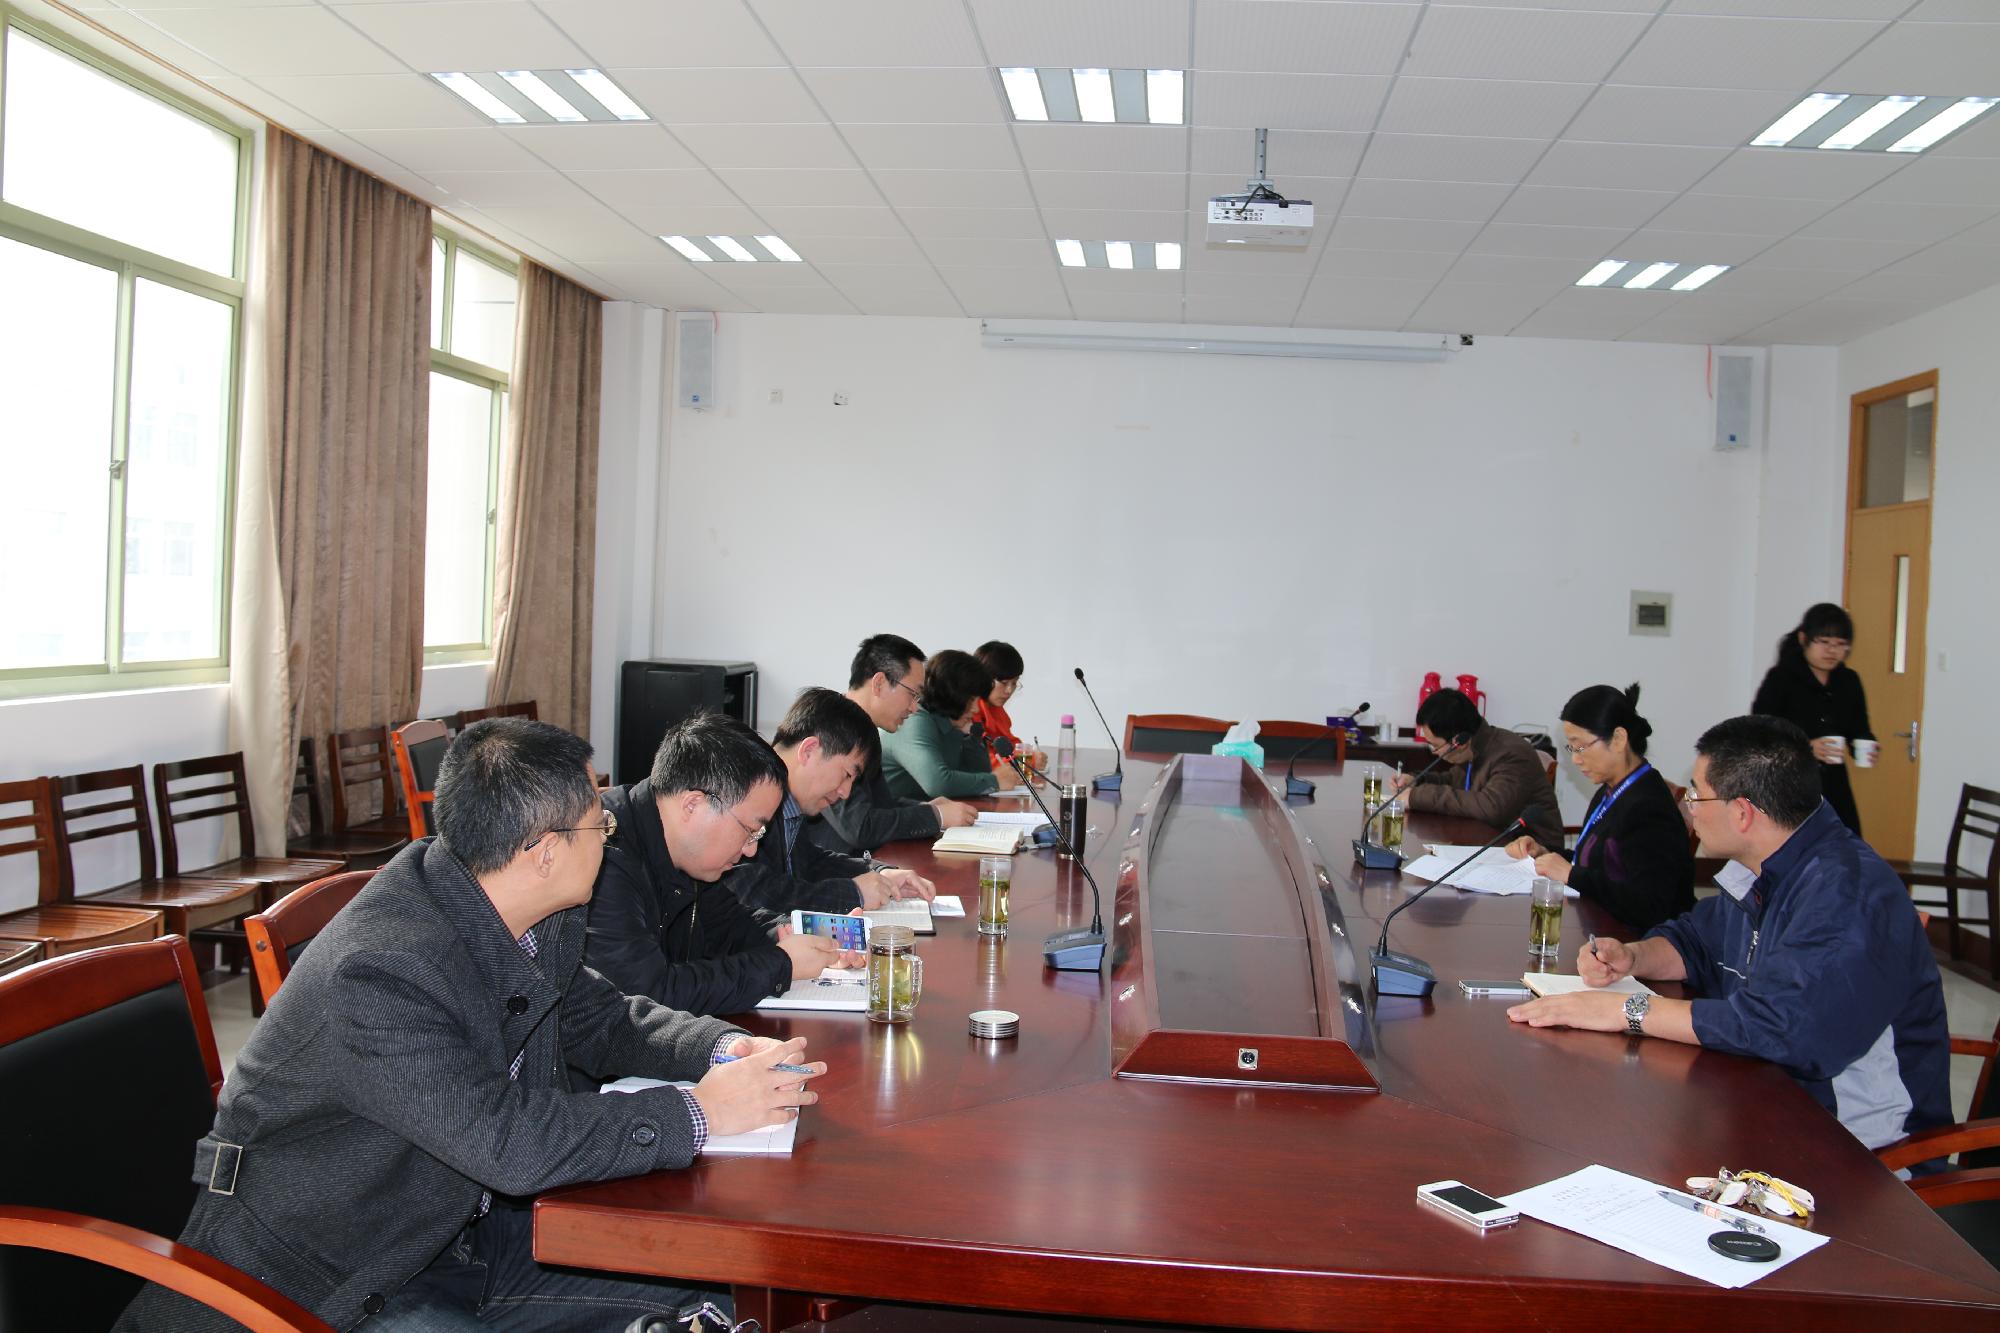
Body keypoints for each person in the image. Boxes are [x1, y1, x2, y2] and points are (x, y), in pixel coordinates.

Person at [117, 718, 825, 1333]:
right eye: (600, 825)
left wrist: (721, 1047)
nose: (611, 838)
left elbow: (602, 1018)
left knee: (725, 1288)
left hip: (457, 1235)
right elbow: (508, 1142)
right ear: (544, 850)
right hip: (332, 1281)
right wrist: (699, 1110)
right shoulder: (380, 973)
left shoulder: (529, 909)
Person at [1507, 715, 1948, 1157]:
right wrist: (1633, 957)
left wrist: (1628, 1009)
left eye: (1697, 795)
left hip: (1855, 1151)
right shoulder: (1764, 863)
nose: (1690, 808)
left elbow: (1782, 1028)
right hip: (1760, 1102)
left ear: (1742, 812)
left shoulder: (1846, 893)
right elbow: (1696, 942)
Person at [586, 712, 857, 1016]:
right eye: (750, 830)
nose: (752, 850)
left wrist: (795, 937)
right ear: (693, 804)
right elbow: (647, 995)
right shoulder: (603, 856)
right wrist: (782, 964)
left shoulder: (689, 853)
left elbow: (729, 925)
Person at [723, 687, 936, 915]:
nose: (845, 792)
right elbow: (752, 892)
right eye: (846, 775)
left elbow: (813, 862)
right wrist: (853, 893)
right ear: (809, 751)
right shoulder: (743, 792)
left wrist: (880, 873)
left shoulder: (790, 801)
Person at [1503, 684, 1694, 933]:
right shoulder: (1612, 790)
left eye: (1580, 746)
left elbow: (1649, 904)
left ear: (1618, 739)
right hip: (1602, 926)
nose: (1575, 758)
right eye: (1572, 748)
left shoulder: (1649, 807)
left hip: (1639, 941)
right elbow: (1599, 864)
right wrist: (1544, 852)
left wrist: (1571, 875)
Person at [808, 633, 978, 855]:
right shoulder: (830, 729)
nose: (914, 708)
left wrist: (925, 808)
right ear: (879, 683)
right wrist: (936, 816)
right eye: (912, 694)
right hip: (828, 868)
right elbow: (860, 827)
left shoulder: (865, 730)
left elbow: (881, 806)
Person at [1390, 687, 1564, 850]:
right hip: (1491, 844)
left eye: (1434, 746)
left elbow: (1491, 807)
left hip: (1534, 856)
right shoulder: (1478, 746)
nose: (1433, 752)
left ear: (1459, 741)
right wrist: (1416, 780)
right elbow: (1452, 780)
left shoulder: (1511, 754)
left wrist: (1416, 797)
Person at [1753, 601, 1874, 835]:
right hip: (1789, 782)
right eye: (1824, 642)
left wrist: (1866, 745)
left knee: (1844, 845)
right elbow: (1760, 731)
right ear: (1803, 639)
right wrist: (1805, 747)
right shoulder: (1782, 678)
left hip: (1834, 786)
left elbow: (1859, 728)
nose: (1832, 651)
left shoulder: (1849, 681)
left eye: (1840, 644)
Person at [881, 648, 1023, 800]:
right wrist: (994, 781)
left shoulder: (953, 722)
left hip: (926, 809)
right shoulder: (915, 719)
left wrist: (972, 738)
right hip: (892, 812)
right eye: (972, 700)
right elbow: (938, 784)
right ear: (952, 695)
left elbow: (977, 774)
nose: (976, 709)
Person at [972, 640, 1044, 774]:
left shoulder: (996, 709)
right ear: (983, 678)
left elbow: (1009, 745)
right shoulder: (968, 711)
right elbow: (979, 760)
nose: (1009, 691)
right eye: (1004, 683)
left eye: (1014, 683)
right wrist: (1028, 761)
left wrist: (1028, 754)